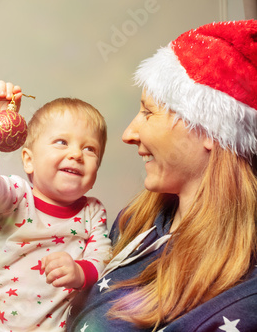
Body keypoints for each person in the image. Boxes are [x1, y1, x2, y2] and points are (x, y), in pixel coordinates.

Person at [67, 20, 257, 331]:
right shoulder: (133, 222)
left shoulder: (245, 298)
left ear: (209, 130)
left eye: (148, 112)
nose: (128, 133)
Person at [0, 81, 112, 331]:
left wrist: (79, 272)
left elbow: (104, 258)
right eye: (62, 142)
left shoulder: (93, 212)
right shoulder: (17, 198)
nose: (76, 154)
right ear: (29, 160)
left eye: (89, 148)